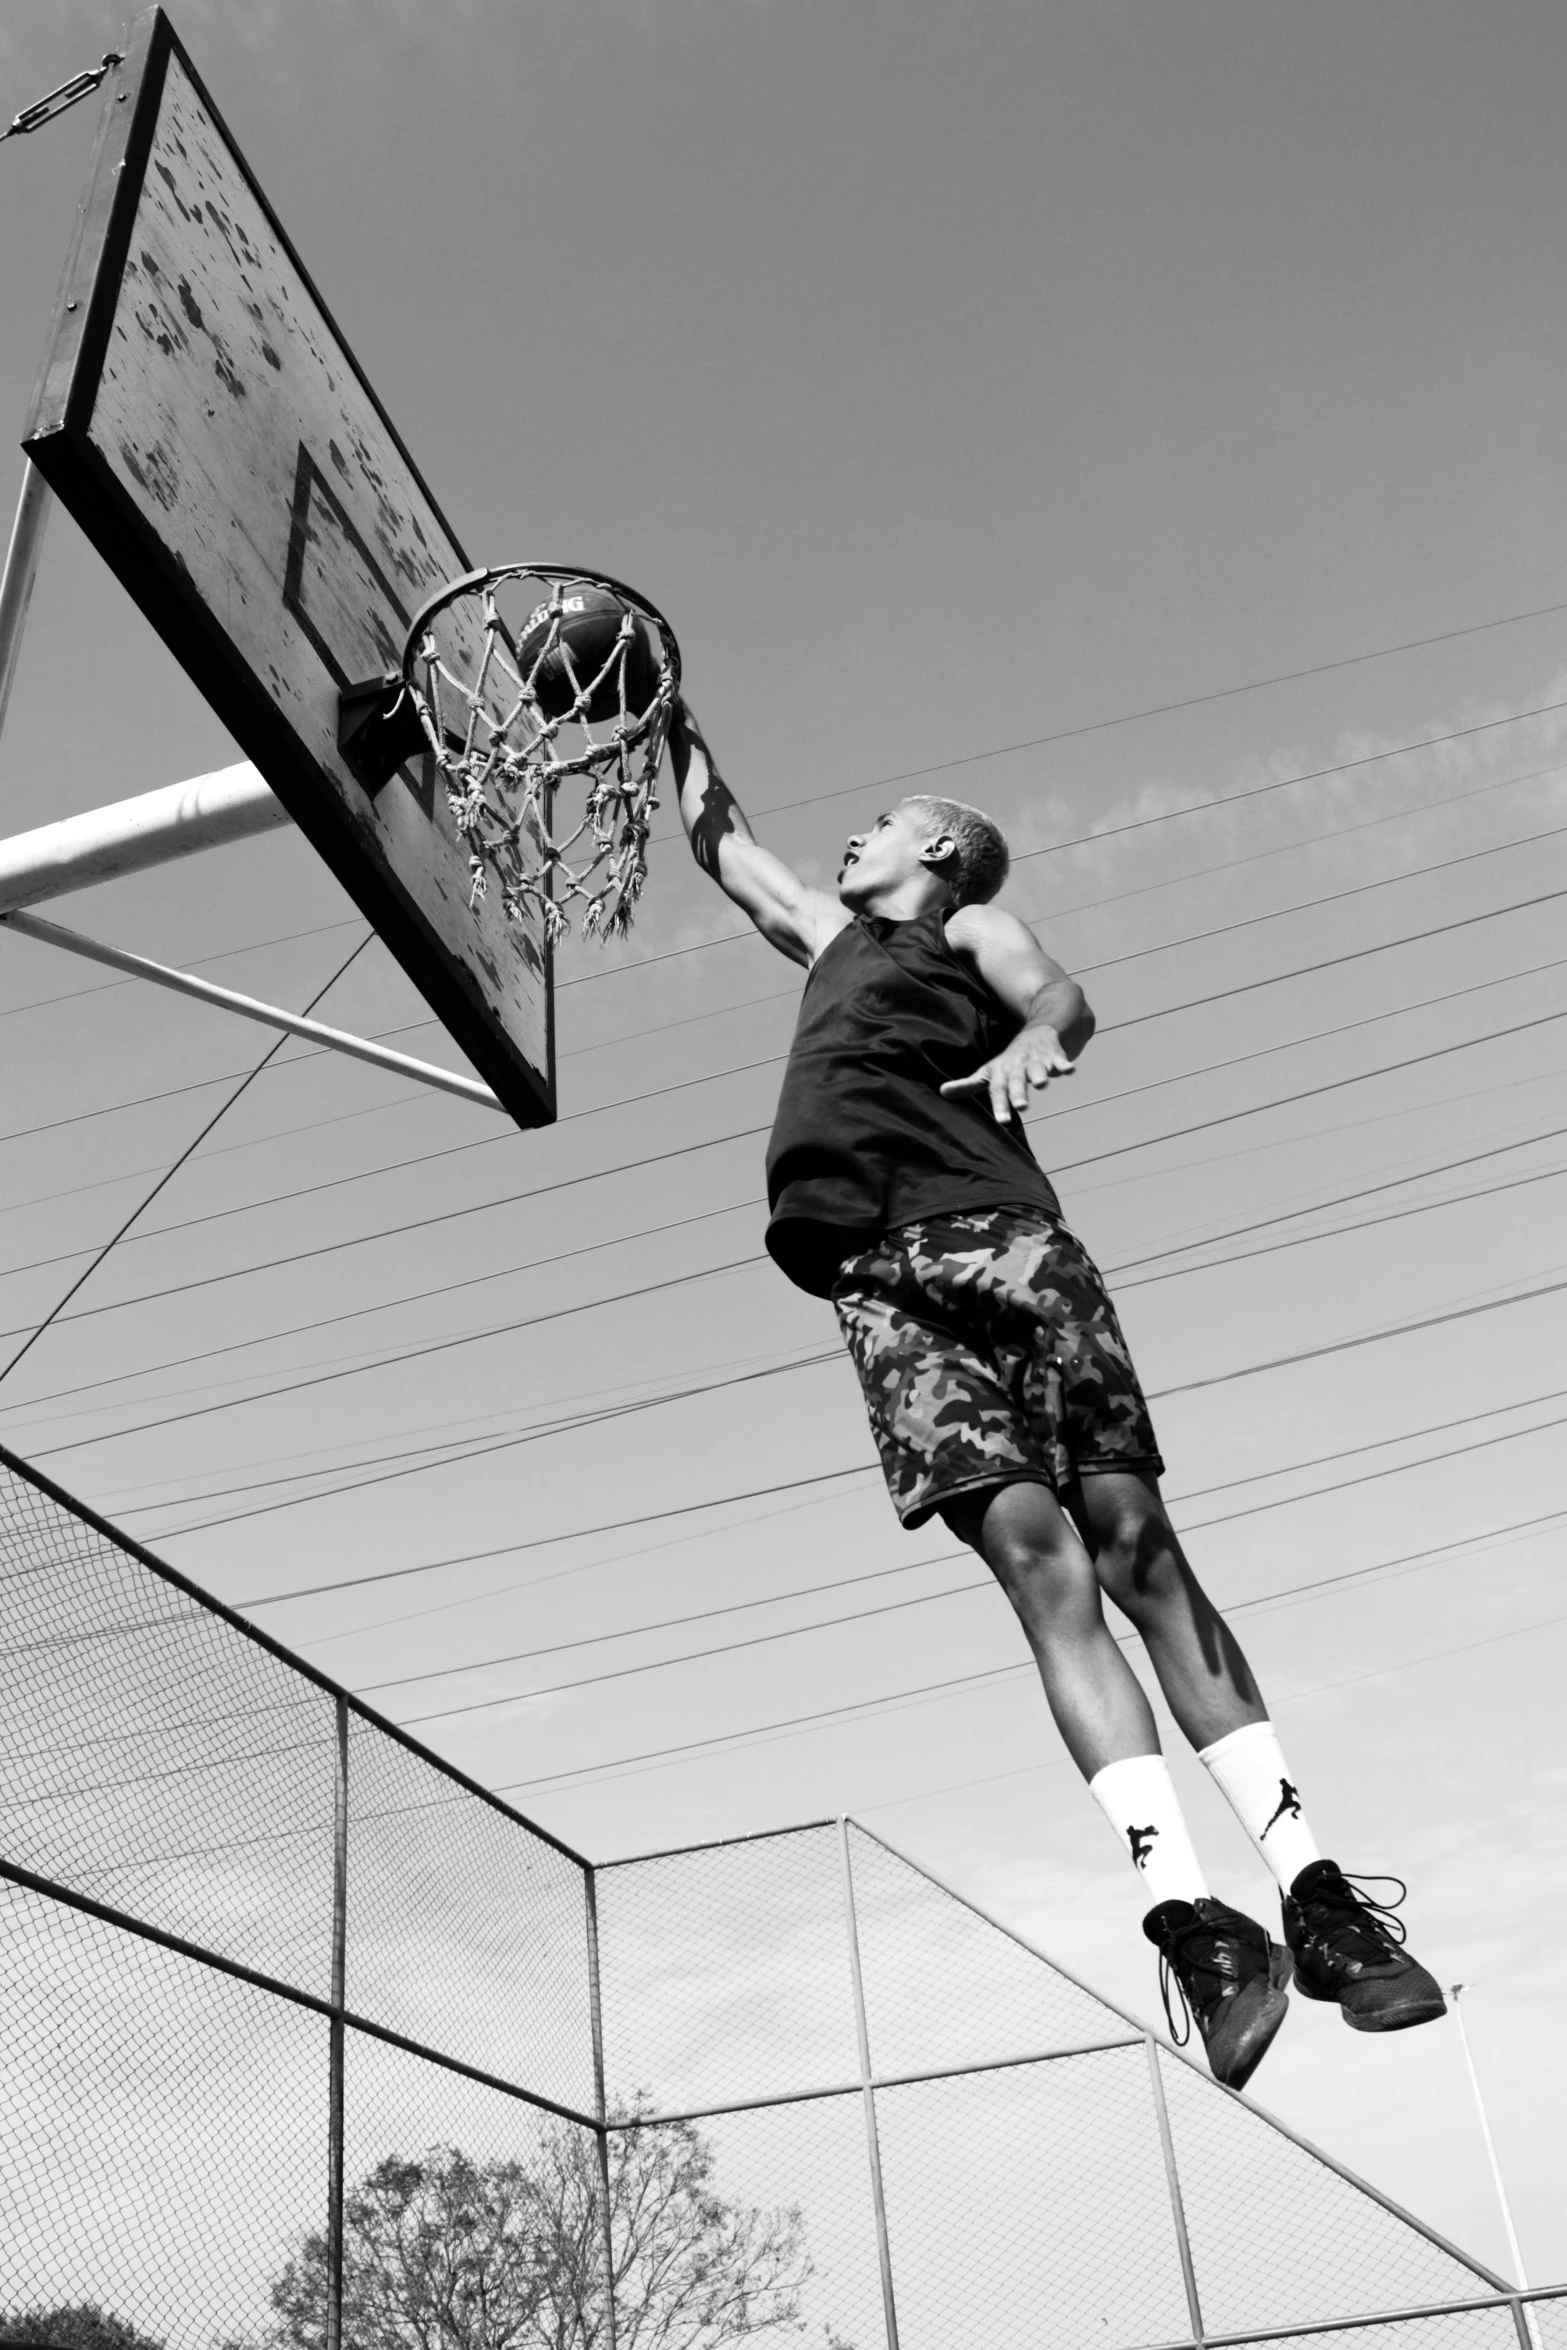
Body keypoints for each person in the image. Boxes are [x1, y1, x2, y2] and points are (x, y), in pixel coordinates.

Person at [669, 697, 1446, 2091]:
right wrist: (663, 710)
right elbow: (730, 851)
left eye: (887, 819)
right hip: (876, 1277)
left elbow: (1056, 987)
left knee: (1132, 1548)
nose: (855, 833)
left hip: (1000, 1242)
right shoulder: (829, 939)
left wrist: (1045, 1036)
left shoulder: (959, 929)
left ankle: (1315, 1896)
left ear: (946, 851)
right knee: (1040, 1574)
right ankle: (1194, 1924)